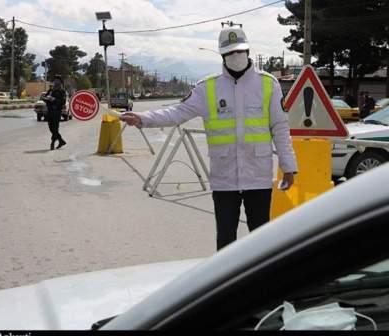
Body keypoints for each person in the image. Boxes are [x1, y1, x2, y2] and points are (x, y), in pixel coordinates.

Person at [121, 24, 298, 250]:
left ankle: (261, 284)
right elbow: (177, 112)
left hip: (258, 176)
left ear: (248, 51)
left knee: (262, 241)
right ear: (222, 55)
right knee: (225, 240)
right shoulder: (208, 87)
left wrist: (288, 166)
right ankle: (227, 283)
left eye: (239, 51)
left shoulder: (267, 84)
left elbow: (280, 127)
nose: (236, 56)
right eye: (230, 52)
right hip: (224, 179)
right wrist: (143, 118)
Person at [43, 76, 67, 150]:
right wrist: (46, 98)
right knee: (51, 128)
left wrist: (54, 100)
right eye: (55, 80)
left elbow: (63, 102)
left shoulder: (62, 91)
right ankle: (61, 140)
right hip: (49, 111)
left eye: (57, 81)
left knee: (55, 128)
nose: (55, 82)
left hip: (57, 111)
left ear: (60, 83)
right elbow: (45, 98)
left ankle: (52, 143)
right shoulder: (51, 90)